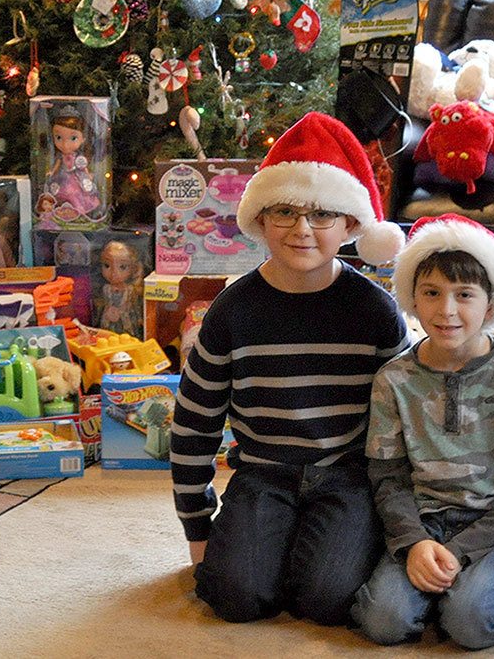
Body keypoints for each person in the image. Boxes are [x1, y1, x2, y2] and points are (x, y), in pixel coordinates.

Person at [171, 111, 408, 625]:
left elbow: (408, 417)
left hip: (346, 478)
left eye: (322, 215)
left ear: (350, 224)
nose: (302, 229)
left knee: (327, 601)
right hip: (263, 476)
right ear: (259, 219)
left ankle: (320, 546)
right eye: (284, 212)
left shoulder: (375, 310)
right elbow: (194, 425)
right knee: (234, 597)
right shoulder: (233, 309)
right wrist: (198, 531)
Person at [353, 213, 494, 650]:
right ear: (413, 298)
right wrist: (412, 543)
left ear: (490, 304)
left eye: (464, 295)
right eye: (431, 293)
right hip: (421, 521)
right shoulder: (393, 379)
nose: (446, 310)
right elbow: (387, 477)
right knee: (383, 623)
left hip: (493, 525)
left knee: (471, 625)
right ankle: (442, 587)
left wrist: (462, 551)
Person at [44, 111, 101, 220]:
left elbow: (83, 167)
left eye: (73, 138)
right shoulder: (61, 156)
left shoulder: (79, 157)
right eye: (59, 138)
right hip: (62, 178)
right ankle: (62, 213)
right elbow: (57, 165)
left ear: (83, 139)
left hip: (76, 177)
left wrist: (88, 175)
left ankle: (79, 211)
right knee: (62, 193)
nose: (65, 144)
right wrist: (52, 172)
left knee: (76, 193)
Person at [94, 240, 144, 337]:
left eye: (122, 267)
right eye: (107, 265)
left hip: (126, 322)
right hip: (108, 321)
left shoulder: (130, 290)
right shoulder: (106, 289)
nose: (113, 273)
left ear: (133, 268)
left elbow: (136, 307)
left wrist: (139, 319)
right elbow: (101, 305)